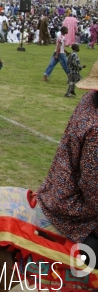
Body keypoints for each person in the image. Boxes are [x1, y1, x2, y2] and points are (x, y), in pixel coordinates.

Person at [36, 61, 98, 269]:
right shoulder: (96, 130)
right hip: (71, 203)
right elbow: (93, 188)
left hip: (58, 186)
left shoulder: (90, 99)